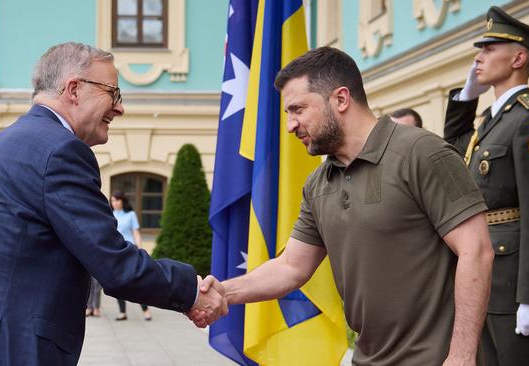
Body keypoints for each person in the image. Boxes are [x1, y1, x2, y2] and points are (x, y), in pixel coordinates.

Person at [0, 42, 226, 366]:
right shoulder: (61, 152)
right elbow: (115, 265)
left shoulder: (2, 144)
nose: (120, 108)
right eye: (114, 93)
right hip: (9, 349)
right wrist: (189, 291)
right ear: (74, 89)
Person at [197, 46, 494, 365]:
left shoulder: (421, 152)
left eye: (297, 109)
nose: (290, 126)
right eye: (287, 114)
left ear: (340, 99)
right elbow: (291, 267)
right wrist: (224, 292)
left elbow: (476, 251)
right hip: (367, 358)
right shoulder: (318, 183)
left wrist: (462, 356)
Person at [443, 6, 529, 365]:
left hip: (513, 283)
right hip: (483, 273)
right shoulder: (492, 120)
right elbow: (454, 145)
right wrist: (466, 97)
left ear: (518, 57)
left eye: (489, 49)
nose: (478, 57)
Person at [110, 190, 152, 321]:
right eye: (112, 200)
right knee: (117, 282)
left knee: (136, 281)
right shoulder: (109, 215)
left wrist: (140, 249)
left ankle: (145, 310)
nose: (115, 203)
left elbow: (136, 233)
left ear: (122, 201)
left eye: (117, 200)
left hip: (130, 250)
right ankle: (122, 312)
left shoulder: (131, 215)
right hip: (115, 251)